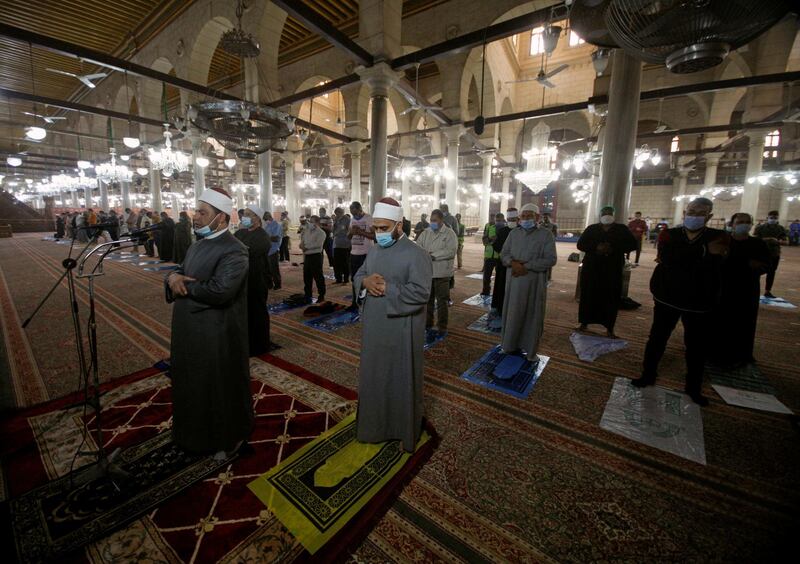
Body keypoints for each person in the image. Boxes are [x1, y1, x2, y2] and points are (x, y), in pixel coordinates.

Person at [165, 187, 252, 457]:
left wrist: (183, 285)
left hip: (216, 334)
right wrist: (171, 278)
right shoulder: (197, 244)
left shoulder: (235, 251)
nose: (196, 217)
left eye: (203, 213)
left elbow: (220, 290)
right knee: (191, 384)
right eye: (196, 211)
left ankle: (223, 439)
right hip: (190, 331)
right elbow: (180, 271)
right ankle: (191, 434)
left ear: (222, 219)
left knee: (216, 389)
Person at [353, 197, 432, 452]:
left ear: (399, 226)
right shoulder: (375, 249)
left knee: (400, 378)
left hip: (401, 329)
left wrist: (389, 288)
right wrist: (364, 283)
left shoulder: (416, 254)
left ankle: (402, 430)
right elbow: (359, 275)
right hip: (374, 327)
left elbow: (421, 293)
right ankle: (374, 427)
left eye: (384, 228)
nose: (378, 234)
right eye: (375, 228)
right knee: (375, 377)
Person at [633, 197, 729, 406]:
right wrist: (703, 254)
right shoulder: (671, 233)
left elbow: (715, 263)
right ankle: (648, 375)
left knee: (695, 345)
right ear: (685, 212)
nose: (694, 216)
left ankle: (693, 387)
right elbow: (667, 258)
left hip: (699, 301)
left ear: (709, 216)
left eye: (700, 213)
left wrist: (688, 257)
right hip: (667, 296)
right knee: (657, 338)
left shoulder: (719, 236)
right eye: (691, 211)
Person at [711, 213, 770, 367]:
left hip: (747, 288)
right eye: (740, 222)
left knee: (744, 321)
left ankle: (741, 354)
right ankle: (715, 352)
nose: (744, 224)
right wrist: (747, 264)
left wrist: (753, 266)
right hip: (723, 287)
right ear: (733, 224)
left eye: (747, 222)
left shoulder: (758, 244)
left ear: (751, 224)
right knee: (720, 320)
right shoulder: (723, 241)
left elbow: (766, 266)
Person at [499, 204, 557, 361]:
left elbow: (550, 259)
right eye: (523, 216)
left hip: (534, 283)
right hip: (514, 282)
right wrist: (512, 263)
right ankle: (509, 345)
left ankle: (530, 350)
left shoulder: (545, 235)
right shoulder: (513, 233)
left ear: (537, 217)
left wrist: (525, 266)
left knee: (532, 315)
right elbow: (504, 254)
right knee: (513, 313)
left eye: (529, 216)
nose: (525, 219)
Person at [577, 206, 638, 337]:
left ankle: (609, 327)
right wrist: (596, 247)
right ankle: (584, 322)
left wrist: (614, 248)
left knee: (611, 297)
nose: (607, 215)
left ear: (613, 215)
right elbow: (580, 245)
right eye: (604, 213)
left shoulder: (621, 229)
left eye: (609, 213)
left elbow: (633, 245)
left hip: (612, 270)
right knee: (588, 295)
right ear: (600, 215)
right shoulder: (592, 229)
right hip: (592, 269)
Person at [235, 204, 271, 356]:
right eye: (245, 214)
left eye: (249, 214)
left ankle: (259, 345)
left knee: (257, 312)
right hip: (241, 279)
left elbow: (245, 253)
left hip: (257, 279)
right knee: (243, 312)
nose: (245, 216)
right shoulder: (240, 233)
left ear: (257, 218)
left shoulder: (262, 236)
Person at [416, 209, 458, 336]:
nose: (432, 223)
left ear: (441, 220)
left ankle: (442, 326)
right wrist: (424, 254)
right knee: (428, 300)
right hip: (428, 272)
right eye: (431, 220)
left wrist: (433, 255)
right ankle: (428, 323)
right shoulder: (426, 233)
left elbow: (451, 251)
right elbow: (418, 245)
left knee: (442, 301)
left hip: (442, 273)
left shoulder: (449, 234)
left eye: (435, 220)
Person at [754, 210, 787, 298]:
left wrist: (778, 241)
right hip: (761, 253)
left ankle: (767, 291)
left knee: (771, 272)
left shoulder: (781, 228)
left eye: (775, 218)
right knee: (757, 271)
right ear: (767, 218)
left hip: (774, 253)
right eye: (771, 218)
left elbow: (786, 241)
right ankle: (753, 289)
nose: (773, 219)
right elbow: (755, 239)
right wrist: (768, 239)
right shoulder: (760, 228)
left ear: (777, 218)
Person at [490, 208, 516, 319]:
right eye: (510, 219)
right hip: (503, 264)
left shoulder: (520, 231)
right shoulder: (502, 231)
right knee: (500, 285)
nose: (511, 220)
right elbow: (496, 246)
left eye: (513, 219)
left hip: (516, 265)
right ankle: (499, 307)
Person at [348, 201, 374, 309]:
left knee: (365, 279)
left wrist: (361, 232)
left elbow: (375, 236)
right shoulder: (352, 220)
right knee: (354, 279)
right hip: (354, 253)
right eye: (352, 213)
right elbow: (348, 237)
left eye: (355, 212)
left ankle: (365, 302)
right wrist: (351, 233)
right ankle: (355, 302)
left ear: (360, 209)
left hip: (366, 253)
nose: (354, 215)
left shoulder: (369, 219)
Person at [300, 215, 326, 302]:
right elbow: (302, 241)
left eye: (312, 222)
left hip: (316, 256)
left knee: (318, 277)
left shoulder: (321, 233)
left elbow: (318, 245)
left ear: (317, 222)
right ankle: (308, 294)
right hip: (307, 256)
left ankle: (321, 295)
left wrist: (306, 247)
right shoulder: (306, 230)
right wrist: (301, 245)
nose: (310, 223)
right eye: (310, 221)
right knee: (307, 276)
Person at [481, 213, 502, 297]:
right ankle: (486, 291)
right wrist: (491, 239)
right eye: (497, 220)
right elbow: (484, 240)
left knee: (500, 277)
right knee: (486, 276)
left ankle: (498, 293)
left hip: (499, 256)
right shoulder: (488, 226)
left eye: (499, 220)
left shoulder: (504, 228)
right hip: (489, 256)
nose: (496, 222)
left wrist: (496, 239)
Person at [263, 211, 282, 290]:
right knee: (267, 269)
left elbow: (276, 238)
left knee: (274, 269)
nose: (265, 221)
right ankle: (269, 284)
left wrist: (265, 238)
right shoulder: (267, 226)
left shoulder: (276, 225)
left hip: (273, 250)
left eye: (266, 219)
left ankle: (277, 284)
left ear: (269, 217)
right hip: (267, 250)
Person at [332, 207, 351, 284]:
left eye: (338, 213)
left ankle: (346, 279)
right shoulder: (336, 219)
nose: (337, 215)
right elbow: (333, 229)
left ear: (342, 212)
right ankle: (338, 279)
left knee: (345, 263)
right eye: (336, 214)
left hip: (345, 244)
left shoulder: (347, 220)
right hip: (336, 243)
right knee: (336, 263)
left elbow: (349, 231)